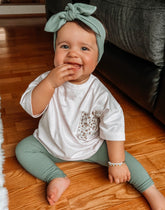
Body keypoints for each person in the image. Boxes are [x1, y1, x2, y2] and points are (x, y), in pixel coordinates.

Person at [15, 3, 165, 209]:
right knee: (23, 150)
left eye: (84, 48)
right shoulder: (46, 80)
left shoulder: (99, 94)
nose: (73, 54)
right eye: (64, 46)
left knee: (122, 158)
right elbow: (32, 109)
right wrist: (50, 84)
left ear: (97, 59)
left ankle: (151, 191)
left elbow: (114, 127)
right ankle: (55, 177)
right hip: (49, 144)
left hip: (90, 147)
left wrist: (116, 163)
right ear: (55, 50)